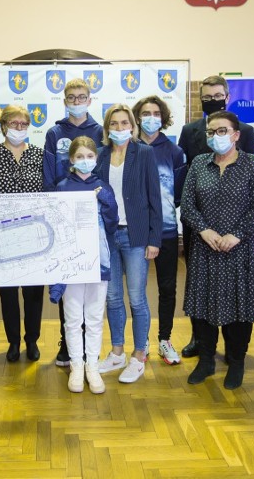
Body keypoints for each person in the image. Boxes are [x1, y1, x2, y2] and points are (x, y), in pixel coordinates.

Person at [180, 111, 254, 390]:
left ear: (236, 135)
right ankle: (206, 360)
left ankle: (236, 362)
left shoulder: (253, 164)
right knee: (203, 308)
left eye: (222, 131)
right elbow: (187, 205)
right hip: (206, 247)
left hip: (242, 249)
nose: (215, 136)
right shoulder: (199, 163)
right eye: (211, 131)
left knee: (239, 309)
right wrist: (204, 230)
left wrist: (235, 234)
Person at [178, 75, 254, 360]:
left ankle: (236, 349)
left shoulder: (245, 131)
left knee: (238, 285)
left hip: (237, 228)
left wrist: (237, 231)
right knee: (199, 283)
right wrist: (198, 224)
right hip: (200, 226)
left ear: (227, 96)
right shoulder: (190, 131)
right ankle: (199, 340)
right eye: (207, 96)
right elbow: (183, 174)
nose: (212, 100)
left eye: (217, 95)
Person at [95, 104, 162, 384]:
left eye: (125, 123)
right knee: (112, 297)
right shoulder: (99, 156)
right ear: (107, 127)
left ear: (132, 127)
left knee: (136, 297)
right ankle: (118, 351)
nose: (120, 128)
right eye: (114, 123)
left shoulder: (144, 153)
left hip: (136, 235)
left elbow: (154, 197)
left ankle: (139, 355)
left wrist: (154, 239)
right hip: (109, 235)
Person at [43, 78, 104, 366]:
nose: (77, 101)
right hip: (63, 216)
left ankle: (89, 345)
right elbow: (47, 176)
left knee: (90, 280)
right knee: (66, 279)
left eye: (82, 97)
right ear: (64, 99)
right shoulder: (55, 133)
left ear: (90, 100)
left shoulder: (101, 132)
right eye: (72, 97)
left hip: (93, 218)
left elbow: (101, 174)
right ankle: (67, 343)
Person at [54, 136, 118, 394]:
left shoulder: (104, 187)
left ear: (96, 158)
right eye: (79, 157)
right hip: (71, 263)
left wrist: (105, 204)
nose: (85, 161)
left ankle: (92, 365)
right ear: (71, 159)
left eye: (89, 156)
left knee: (93, 317)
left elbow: (112, 225)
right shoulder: (61, 187)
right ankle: (76, 366)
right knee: (72, 319)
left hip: (98, 260)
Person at [0, 105, 46, 363]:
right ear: (3, 126)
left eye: (23, 124)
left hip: (34, 234)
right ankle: (13, 341)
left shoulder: (40, 155)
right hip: (3, 236)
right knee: (8, 294)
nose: (19, 128)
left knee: (33, 293)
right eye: (14, 123)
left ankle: (32, 340)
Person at [132, 96, 187, 366]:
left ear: (163, 118)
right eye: (145, 113)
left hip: (165, 230)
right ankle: (141, 341)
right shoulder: (129, 147)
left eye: (156, 113)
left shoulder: (174, 152)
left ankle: (164, 339)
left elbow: (177, 194)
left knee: (167, 287)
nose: (151, 117)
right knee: (137, 289)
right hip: (135, 232)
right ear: (137, 117)